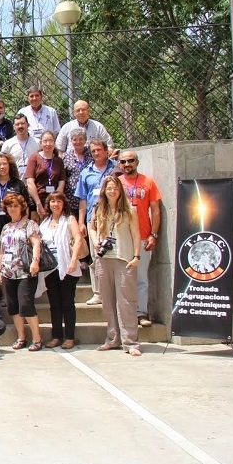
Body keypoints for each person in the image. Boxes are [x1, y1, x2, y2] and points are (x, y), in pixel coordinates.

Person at [89, 175, 143, 356]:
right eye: (109, 188)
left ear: (120, 190)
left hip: (124, 258)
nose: (112, 192)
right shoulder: (99, 209)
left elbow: (136, 235)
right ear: (104, 191)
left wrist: (136, 256)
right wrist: (96, 241)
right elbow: (92, 227)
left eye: (115, 188)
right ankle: (113, 338)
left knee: (126, 301)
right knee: (108, 301)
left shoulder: (129, 210)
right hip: (104, 259)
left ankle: (131, 342)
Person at [116, 150, 161, 328]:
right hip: (122, 238)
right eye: (123, 162)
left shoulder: (148, 182)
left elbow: (156, 210)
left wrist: (154, 234)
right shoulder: (116, 183)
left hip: (143, 237)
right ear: (119, 164)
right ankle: (126, 316)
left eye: (130, 161)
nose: (127, 164)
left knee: (141, 278)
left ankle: (141, 313)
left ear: (137, 162)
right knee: (123, 279)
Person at [0, 192, 43, 352]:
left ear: (22, 207)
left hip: (25, 271)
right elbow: (2, 250)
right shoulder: (5, 227)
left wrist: (35, 261)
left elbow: (36, 244)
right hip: (8, 271)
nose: (12, 208)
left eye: (15, 205)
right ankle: (21, 337)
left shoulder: (30, 224)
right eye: (9, 206)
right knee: (13, 307)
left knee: (26, 304)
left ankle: (37, 338)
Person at [38, 191, 84, 349]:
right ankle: (56, 336)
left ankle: (70, 337)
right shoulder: (44, 223)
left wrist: (74, 260)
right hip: (50, 269)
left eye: (58, 201)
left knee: (68, 303)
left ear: (63, 203)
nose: (55, 204)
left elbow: (78, 238)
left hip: (67, 267)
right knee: (54, 304)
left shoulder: (70, 219)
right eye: (52, 202)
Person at [75, 138, 117, 305]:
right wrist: (81, 222)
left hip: (115, 220)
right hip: (94, 221)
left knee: (115, 256)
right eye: (93, 151)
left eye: (99, 150)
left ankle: (114, 292)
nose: (96, 153)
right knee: (96, 256)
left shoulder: (116, 169)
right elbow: (83, 200)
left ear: (106, 150)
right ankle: (98, 292)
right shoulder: (86, 172)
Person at [24, 131, 66, 220]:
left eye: (51, 141)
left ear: (54, 143)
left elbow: (61, 183)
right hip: (37, 201)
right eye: (45, 141)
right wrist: (38, 204)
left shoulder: (59, 161)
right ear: (40, 143)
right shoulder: (34, 158)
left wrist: (55, 201)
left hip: (54, 203)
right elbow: (30, 182)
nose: (48, 144)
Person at [0, 152, 29, 229]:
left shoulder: (18, 184)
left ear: (10, 165)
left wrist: (23, 224)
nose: (2, 167)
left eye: (5, 164)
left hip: (15, 226)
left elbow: (26, 206)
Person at [61, 127, 93, 218]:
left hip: (89, 197)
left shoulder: (91, 154)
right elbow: (63, 177)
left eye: (81, 139)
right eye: (75, 139)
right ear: (71, 141)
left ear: (85, 140)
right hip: (72, 199)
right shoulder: (66, 156)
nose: (78, 142)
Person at [0, 114, 39, 178]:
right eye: (17, 124)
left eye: (23, 123)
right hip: (15, 182)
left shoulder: (37, 143)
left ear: (28, 125)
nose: (20, 126)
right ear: (13, 127)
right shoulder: (7, 144)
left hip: (34, 181)